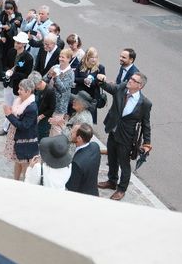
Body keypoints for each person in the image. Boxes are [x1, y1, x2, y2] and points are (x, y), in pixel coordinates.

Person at [97, 71, 152, 201]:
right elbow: (109, 87)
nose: (130, 80)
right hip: (113, 131)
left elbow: (146, 124)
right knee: (112, 158)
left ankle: (121, 189)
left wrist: (147, 143)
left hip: (127, 137)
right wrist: (101, 80)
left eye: (134, 80)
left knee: (124, 164)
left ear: (140, 86)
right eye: (131, 78)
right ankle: (112, 181)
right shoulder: (121, 88)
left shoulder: (145, 103)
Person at [0, 32, 34, 135]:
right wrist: (7, 72)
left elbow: (26, 75)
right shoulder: (11, 52)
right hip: (8, 84)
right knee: (8, 105)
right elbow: (5, 65)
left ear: (24, 44)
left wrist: (13, 74)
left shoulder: (28, 58)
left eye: (19, 43)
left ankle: (8, 128)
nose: (16, 44)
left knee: (15, 108)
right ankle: (6, 127)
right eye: (16, 42)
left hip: (18, 87)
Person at [3, 78, 39, 181]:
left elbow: (24, 126)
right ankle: (16, 181)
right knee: (17, 161)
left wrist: (9, 115)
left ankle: (24, 184)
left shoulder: (31, 107)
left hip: (24, 141)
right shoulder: (19, 101)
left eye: (21, 89)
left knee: (24, 164)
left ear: (28, 91)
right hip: (16, 137)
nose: (18, 91)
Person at [65, 123, 101, 196]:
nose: (71, 132)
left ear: (79, 138)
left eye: (72, 133)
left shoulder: (77, 163)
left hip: (83, 197)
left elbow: (71, 187)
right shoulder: (95, 146)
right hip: (94, 192)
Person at [46, 49, 75, 136]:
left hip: (60, 106)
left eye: (63, 57)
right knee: (47, 126)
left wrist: (56, 77)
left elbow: (63, 88)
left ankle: (55, 146)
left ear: (69, 59)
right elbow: (44, 80)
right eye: (60, 56)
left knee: (56, 128)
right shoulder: (55, 67)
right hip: (49, 102)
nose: (60, 59)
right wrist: (49, 75)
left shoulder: (70, 73)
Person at [73, 47, 106, 123]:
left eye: (95, 57)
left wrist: (91, 82)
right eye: (92, 57)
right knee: (76, 117)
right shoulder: (81, 65)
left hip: (92, 97)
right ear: (87, 57)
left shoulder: (100, 68)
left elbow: (100, 83)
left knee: (87, 120)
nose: (94, 59)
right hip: (80, 95)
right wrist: (83, 80)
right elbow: (74, 78)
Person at [31, 70, 56, 140]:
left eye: (34, 86)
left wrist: (41, 116)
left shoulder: (50, 91)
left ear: (39, 82)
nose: (33, 88)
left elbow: (52, 109)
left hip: (44, 120)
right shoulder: (37, 89)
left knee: (41, 137)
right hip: (36, 115)